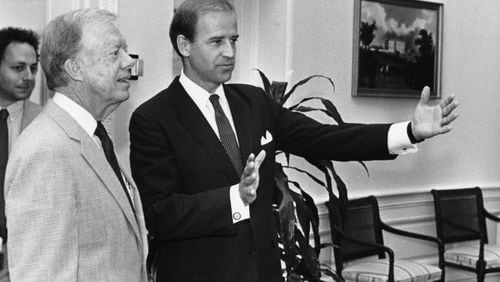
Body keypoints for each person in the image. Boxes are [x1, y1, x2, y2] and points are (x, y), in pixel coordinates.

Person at [129, 0, 458, 281]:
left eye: (234, 39)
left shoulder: (254, 102)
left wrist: (409, 132)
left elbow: (326, 138)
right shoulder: (152, 119)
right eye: (217, 41)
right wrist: (235, 197)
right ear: (184, 45)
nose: (230, 52)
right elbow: (161, 215)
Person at [4, 9, 149, 281]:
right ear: (75, 69)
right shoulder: (45, 151)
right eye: (115, 52)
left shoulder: (92, 136)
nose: (130, 62)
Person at [0, 26, 42, 281]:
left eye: (33, 68)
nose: (28, 77)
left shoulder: (45, 122)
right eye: (18, 68)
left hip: (24, 253)